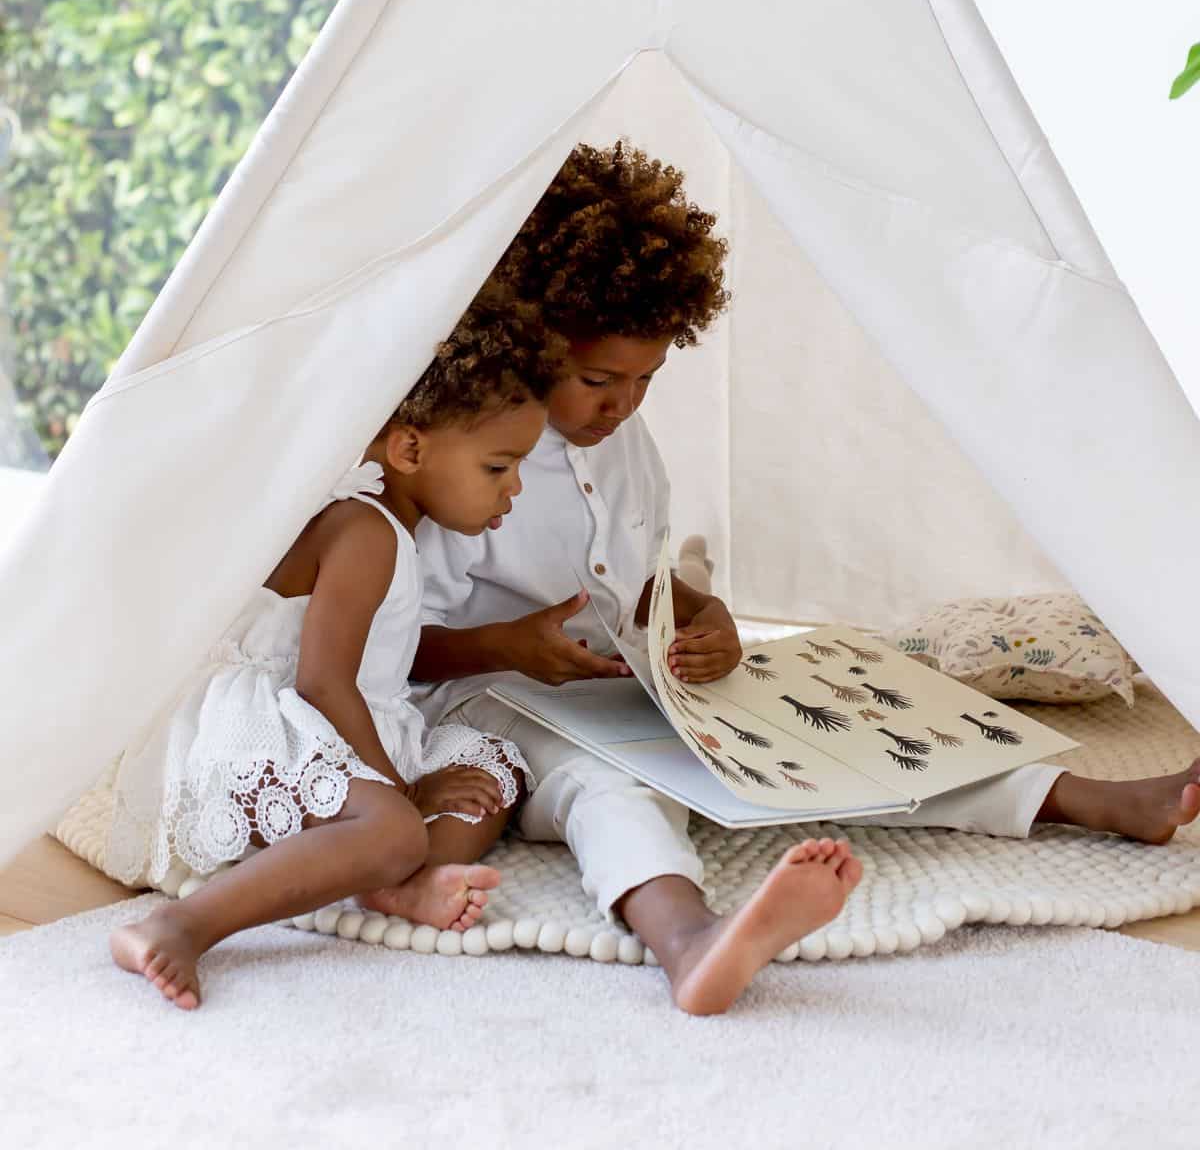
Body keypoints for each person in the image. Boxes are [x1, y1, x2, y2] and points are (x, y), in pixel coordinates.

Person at [413, 141, 1200, 1016]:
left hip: (628, 682)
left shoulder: (625, 450)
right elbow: (393, 641)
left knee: (835, 721)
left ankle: (1086, 798)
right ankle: (688, 938)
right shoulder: (470, 457)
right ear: (535, 335)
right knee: (612, 787)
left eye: (647, 379)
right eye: (599, 380)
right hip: (497, 702)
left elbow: (642, 589)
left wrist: (707, 616)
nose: (622, 405)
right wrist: (507, 646)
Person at [108, 284, 562, 1010]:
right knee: (395, 829)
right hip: (274, 732)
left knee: (491, 769)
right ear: (410, 447)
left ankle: (390, 883)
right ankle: (181, 924)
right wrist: (405, 797)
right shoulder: (363, 533)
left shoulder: (392, 527)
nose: (512, 490)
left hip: (351, 727)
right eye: (496, 467)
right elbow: (322, 684)